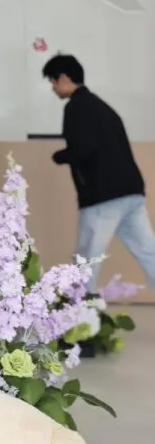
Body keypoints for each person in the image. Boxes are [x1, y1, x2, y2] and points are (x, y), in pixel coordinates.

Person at [43, 54, 155, 291]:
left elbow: (83, 149)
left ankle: (81, 311)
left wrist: (60, 156)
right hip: (131, 192)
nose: (52, 87)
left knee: (86, 260)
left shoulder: (76, 107)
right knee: (148, 252)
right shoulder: (102, 107)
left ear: (64, 78)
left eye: (53, 81)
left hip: (103, 196)